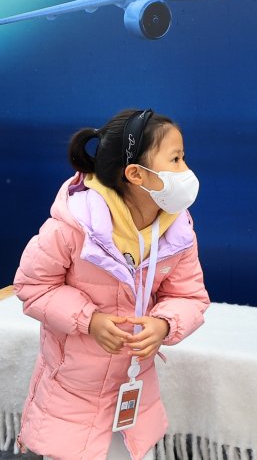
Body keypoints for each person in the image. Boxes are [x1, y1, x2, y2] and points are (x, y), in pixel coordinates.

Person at [14, 109, 210, 460]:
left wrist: (164, 323)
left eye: (184, 157)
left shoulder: (177, 231)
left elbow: (189, 296)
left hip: (134, 395)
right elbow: (32, 286)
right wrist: (89, 320)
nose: (186, 170)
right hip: (71, 399)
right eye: (176, 159)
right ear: (135, 173)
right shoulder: (72, 226)